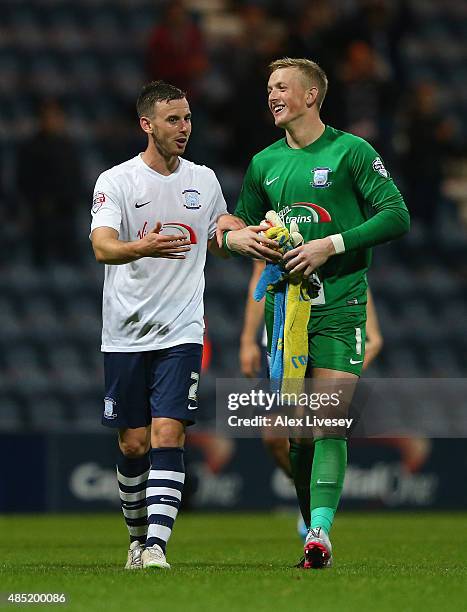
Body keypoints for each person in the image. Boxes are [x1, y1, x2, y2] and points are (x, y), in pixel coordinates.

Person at [222, 57, 409, 568]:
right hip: (287, 315)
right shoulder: (264, 163)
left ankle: (320, 533)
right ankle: (312, 524)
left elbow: (397, 215)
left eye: (281, 86)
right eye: (268, 88)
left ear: (311, 96)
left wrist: (330, 243)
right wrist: (234, 234)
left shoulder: (351, 152)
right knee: (294, 435)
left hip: (342, 305)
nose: (272, 95)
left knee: (327, 421)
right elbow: (237, 222)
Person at [90, 80, 241, 570]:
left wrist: (241, 231)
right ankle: (136, 539)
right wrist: (144, 247)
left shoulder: (205, 180)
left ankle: (155, 547)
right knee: (132, 443)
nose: (184, 128)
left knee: (168, 432)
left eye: (189, 118)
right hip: (125, 332)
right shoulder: (116, 182)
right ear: (147, 124)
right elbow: (103, 247)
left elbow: (220, 234)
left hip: (182, 331)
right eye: (173, 119)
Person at [239, 261, 384, 536]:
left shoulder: (340, 261)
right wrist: (247, 340)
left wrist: (337, 373)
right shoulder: (278, 237)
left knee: (310, 432)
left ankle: (316, 510)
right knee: (274, 437)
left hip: (320, 345)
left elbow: (373, 338)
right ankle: (309, 491)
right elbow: (260, 279)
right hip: (279, 348)